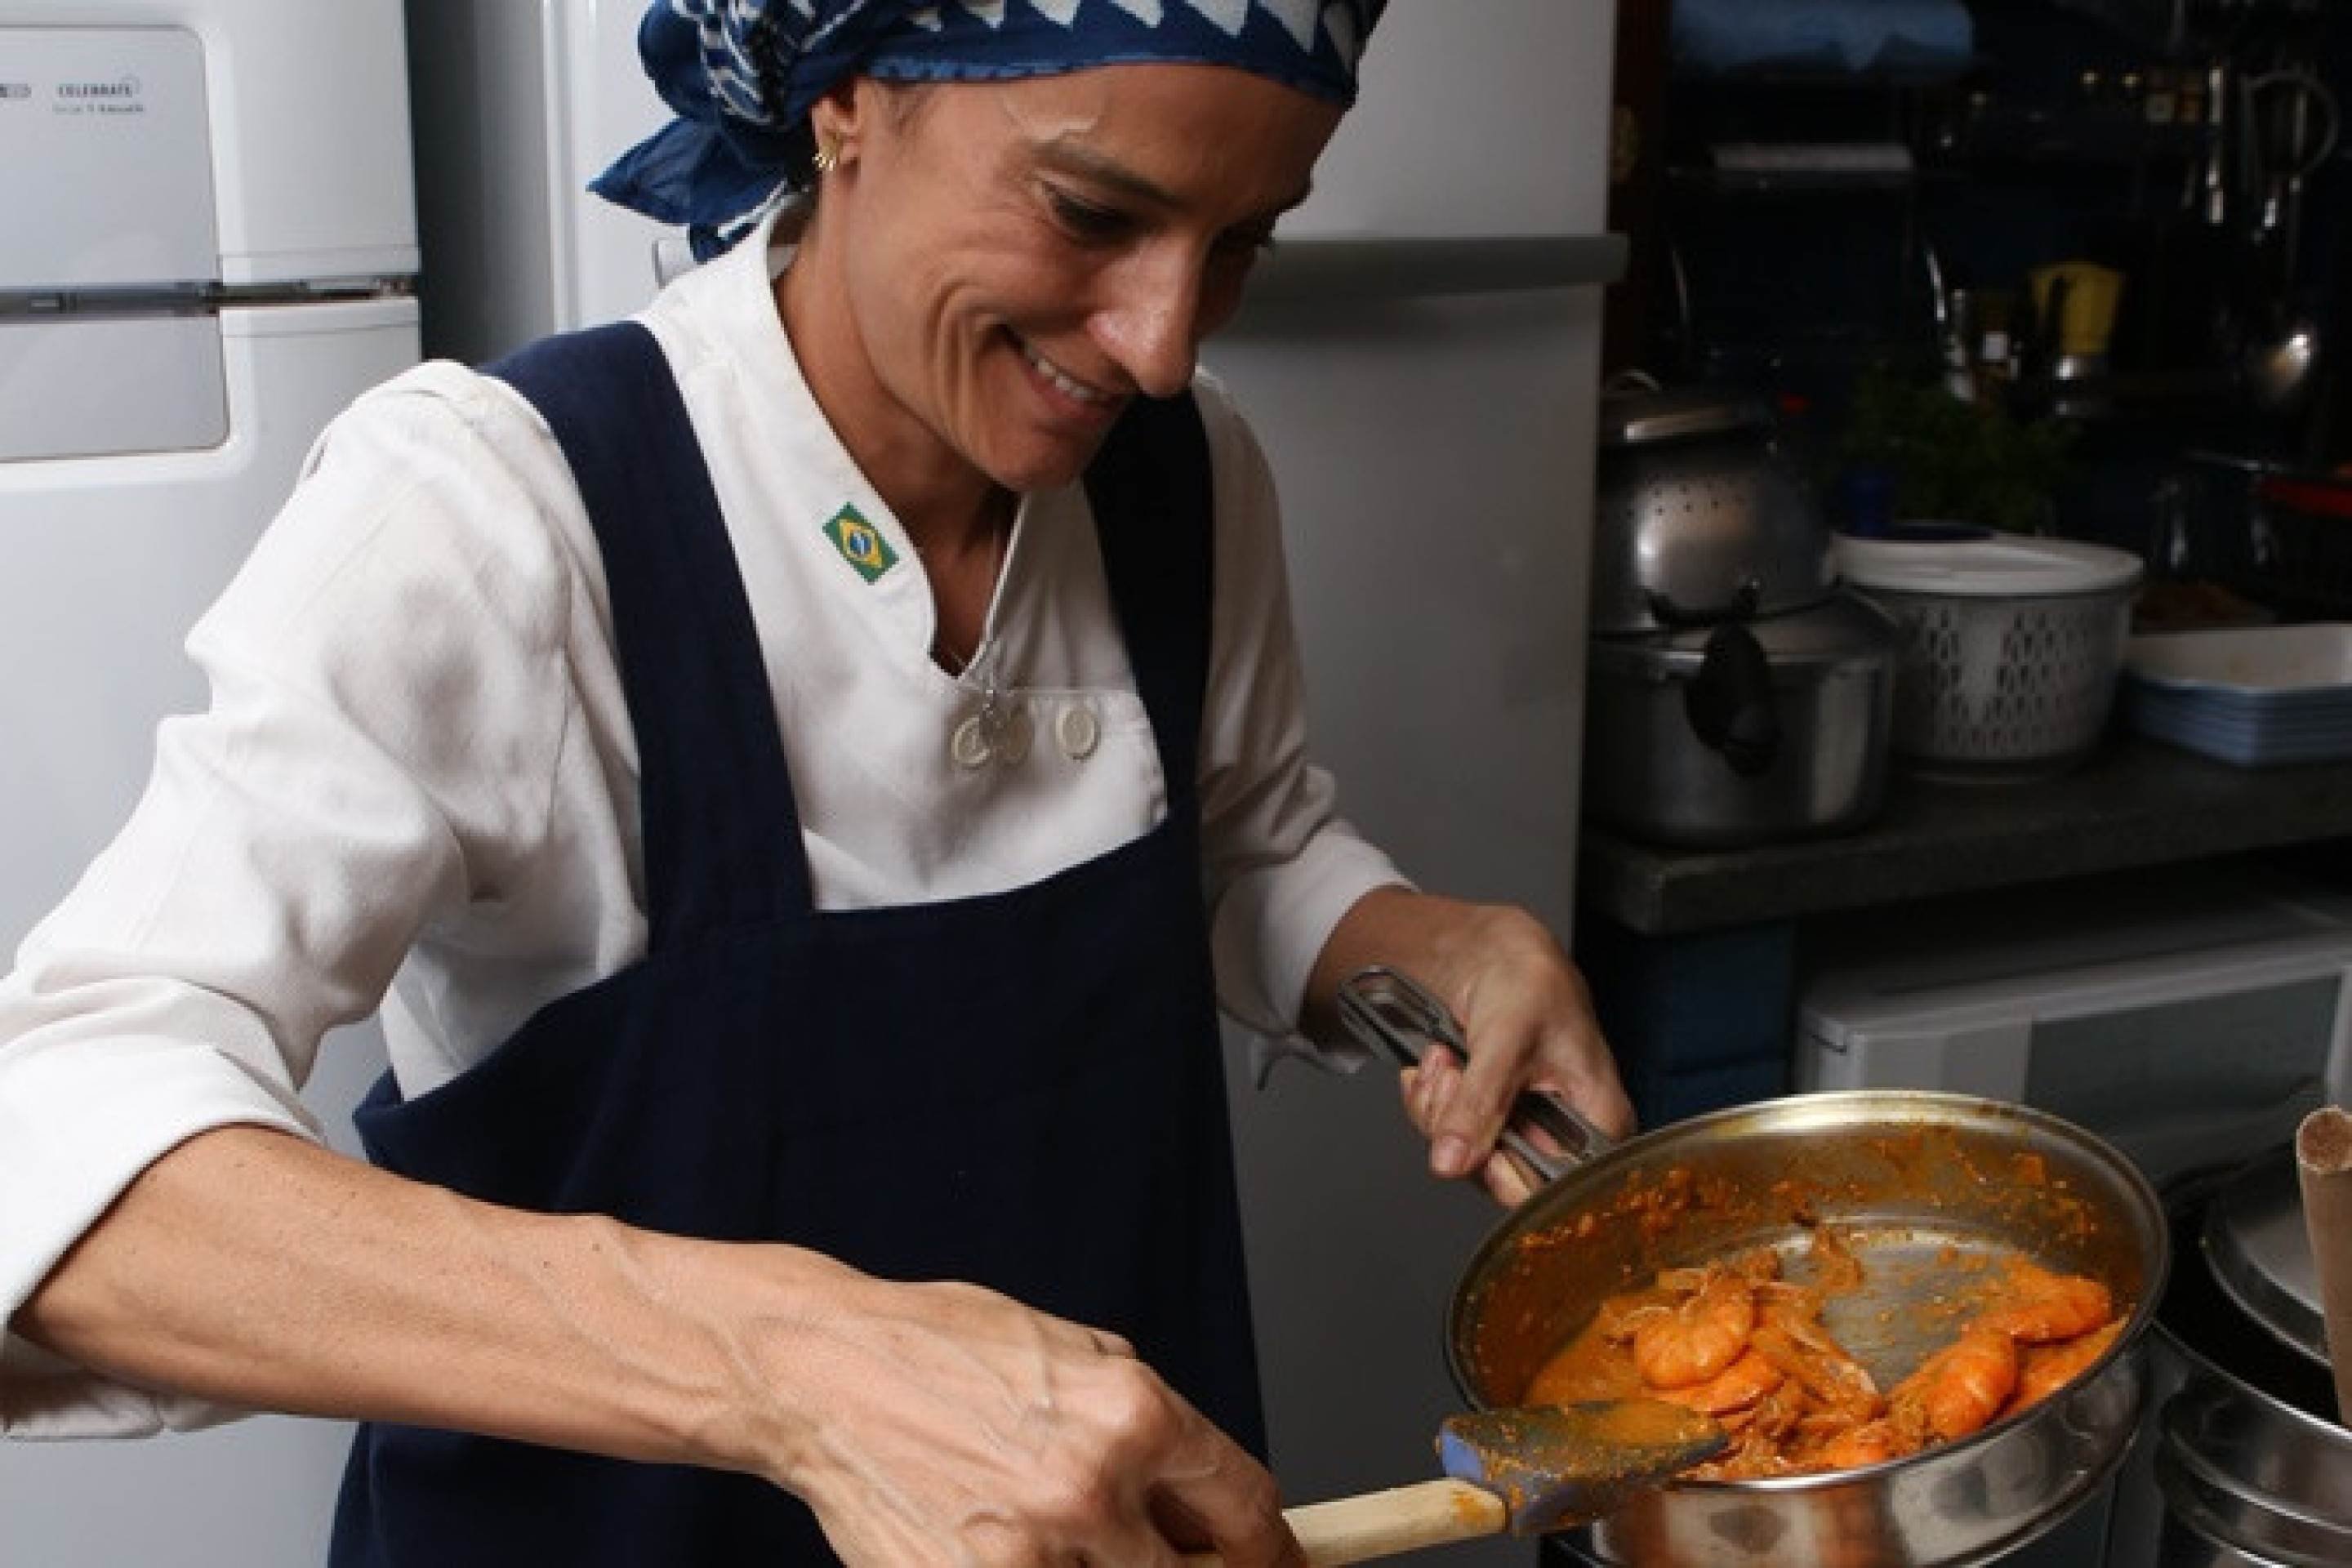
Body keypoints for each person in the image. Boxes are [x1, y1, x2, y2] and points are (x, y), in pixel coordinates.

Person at [0, 3, 1633, 1564]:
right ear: (845, 97)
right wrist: (791, 1366)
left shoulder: (1187, 476)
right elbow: (54, 1163)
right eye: (1086, 210)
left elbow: (1233, 843)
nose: (1156, 342)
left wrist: (1426, 948)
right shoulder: (505, 515)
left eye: (1245, 240)